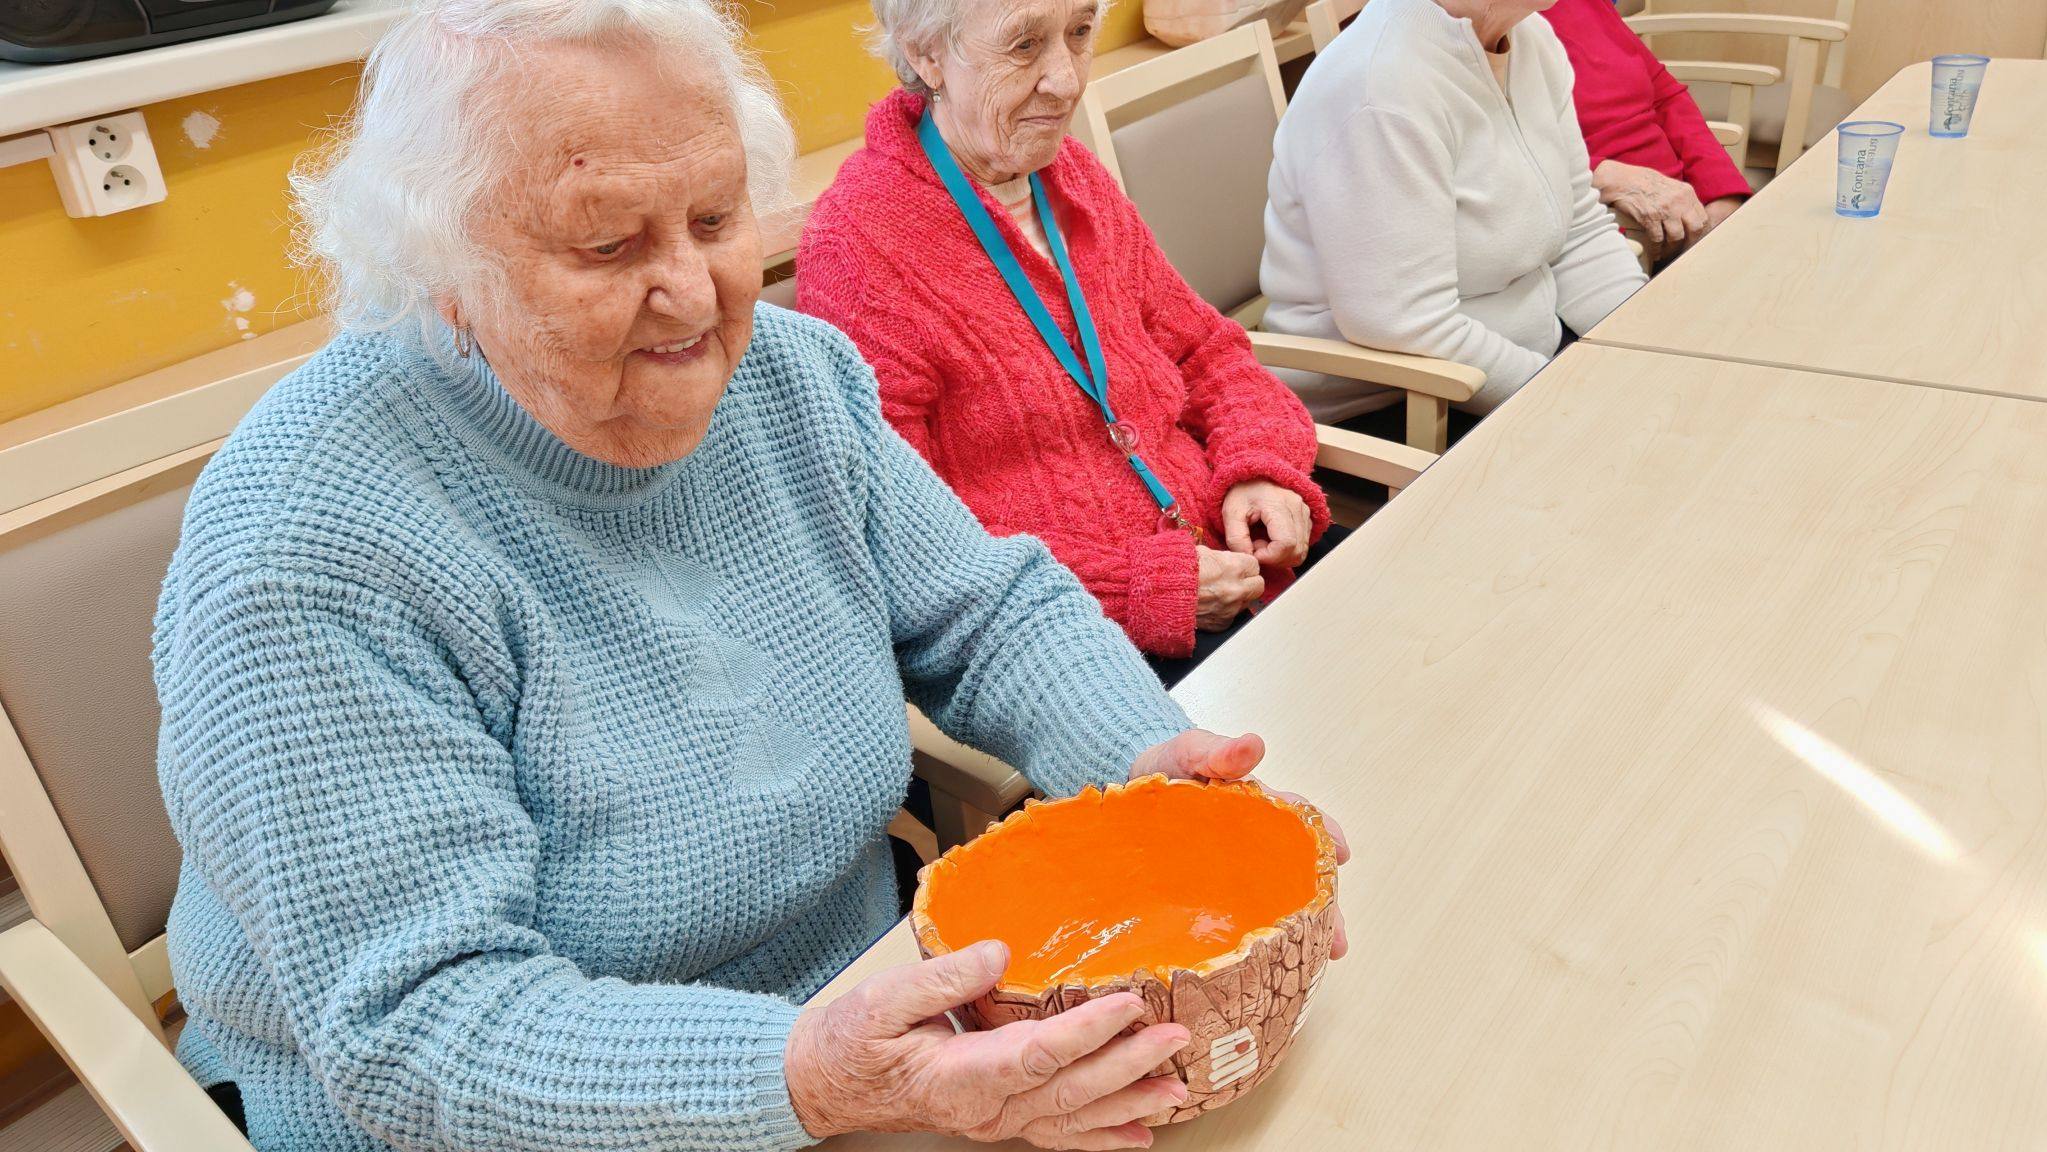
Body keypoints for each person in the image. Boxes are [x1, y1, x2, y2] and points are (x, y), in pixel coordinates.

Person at [152, 1, 1349, 1149]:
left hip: (867, 1014)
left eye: (716, 218)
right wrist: (807, 1074)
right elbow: (425, 1025)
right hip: (507, 1112)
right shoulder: (310, 547)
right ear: (443, 266)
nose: (693, 294)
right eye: (607, 244)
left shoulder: (791, 381)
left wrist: (1150, 770)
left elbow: (989, 615)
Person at [798, 0, 1340, 684]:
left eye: (1080, 33)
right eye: (1024, 45)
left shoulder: (1070, 177)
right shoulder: (858, 250)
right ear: (926, 53)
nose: (1067, 79)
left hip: (1234, 558)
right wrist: (1140, 587)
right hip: (1071, 651)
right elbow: (907, 540)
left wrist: (1260, 469)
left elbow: (1206, 350)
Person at [1262, 0, 1648, 420]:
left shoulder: (1531, 38)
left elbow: (1581, 232)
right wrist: (1569, 402)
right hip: (1398, 406)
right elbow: (1408, 325)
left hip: (1529, 361)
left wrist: (1645, 345)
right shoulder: (1380, 89)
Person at [1543, 0, 1751, 264]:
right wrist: (1603, 175)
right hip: (1607, 231)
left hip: (1687, 213)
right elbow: (1505, 153)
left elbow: (1665, 95)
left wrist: (1722, 193)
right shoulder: (1500, 25)